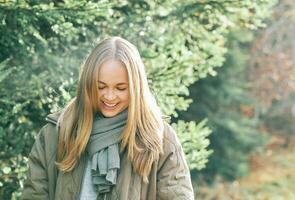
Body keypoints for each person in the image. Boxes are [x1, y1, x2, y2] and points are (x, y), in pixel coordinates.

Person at [21, 36, 194, 200]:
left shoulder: (160, 139)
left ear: (136, 88)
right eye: (101, 87)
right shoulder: (55, 134)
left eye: (120, 88)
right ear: (87, 84)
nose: (109, 96)